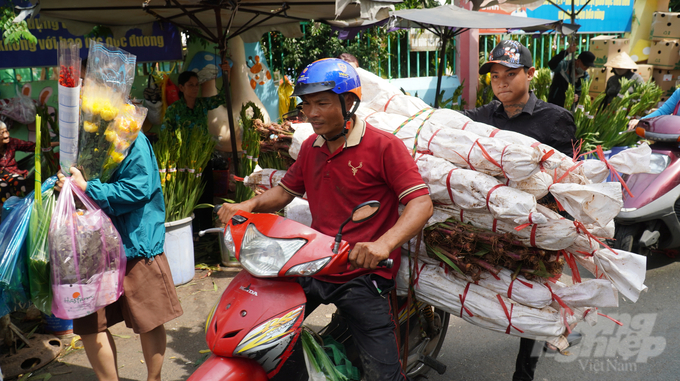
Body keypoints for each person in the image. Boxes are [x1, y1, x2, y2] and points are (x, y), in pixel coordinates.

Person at [217, 58, 433, 381]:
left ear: (348, 102)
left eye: (321, 103)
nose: (311, 113)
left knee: (384, 377)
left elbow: (421, 203)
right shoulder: (310, 148)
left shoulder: (384, 147)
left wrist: (382, 244)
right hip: (315, 264)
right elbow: (284, 192)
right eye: (306, 105)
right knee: (259, 329)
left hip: (363, 275)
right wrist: (246, 205)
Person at [461, 40, 579, 381]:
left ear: (530, 74)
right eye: (495, 75)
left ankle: (524, 372)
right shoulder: (482, 117)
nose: (501, 82)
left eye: (511, 74)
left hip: (536, 221)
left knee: (536, 295)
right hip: (490, 217)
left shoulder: (555, 119)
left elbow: (564, 179)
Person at [55, 131, 183, 381]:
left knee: (149, 316)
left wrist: (88, 188)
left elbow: (138, 189)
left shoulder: (129, 133)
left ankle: (153, 378)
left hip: (133, 241)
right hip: (88, 244)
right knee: (91, 324)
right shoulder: (76, 134)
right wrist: (65, 183)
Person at [161, 70, 226, 232]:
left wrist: (227, 74)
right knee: (188, 196)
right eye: (190, 85)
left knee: (206, 195)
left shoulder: (203, 105)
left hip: (202, 159)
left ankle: (205, 231)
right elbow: (165, 135)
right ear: (181, 88)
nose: (195, 88)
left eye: (197, 85)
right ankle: (191, 231)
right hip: (183, 163)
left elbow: (223, 97)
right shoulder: (174, 110)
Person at [0, 121, 58, 203]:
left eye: (6, 131)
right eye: (2, 133)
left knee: (19, 181)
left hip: (11, 173)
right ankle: (5, 211)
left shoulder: (12, 142)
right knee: (2, 187)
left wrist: (58, 143)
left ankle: (21, 206)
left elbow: (32, 146)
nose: (7, 135)